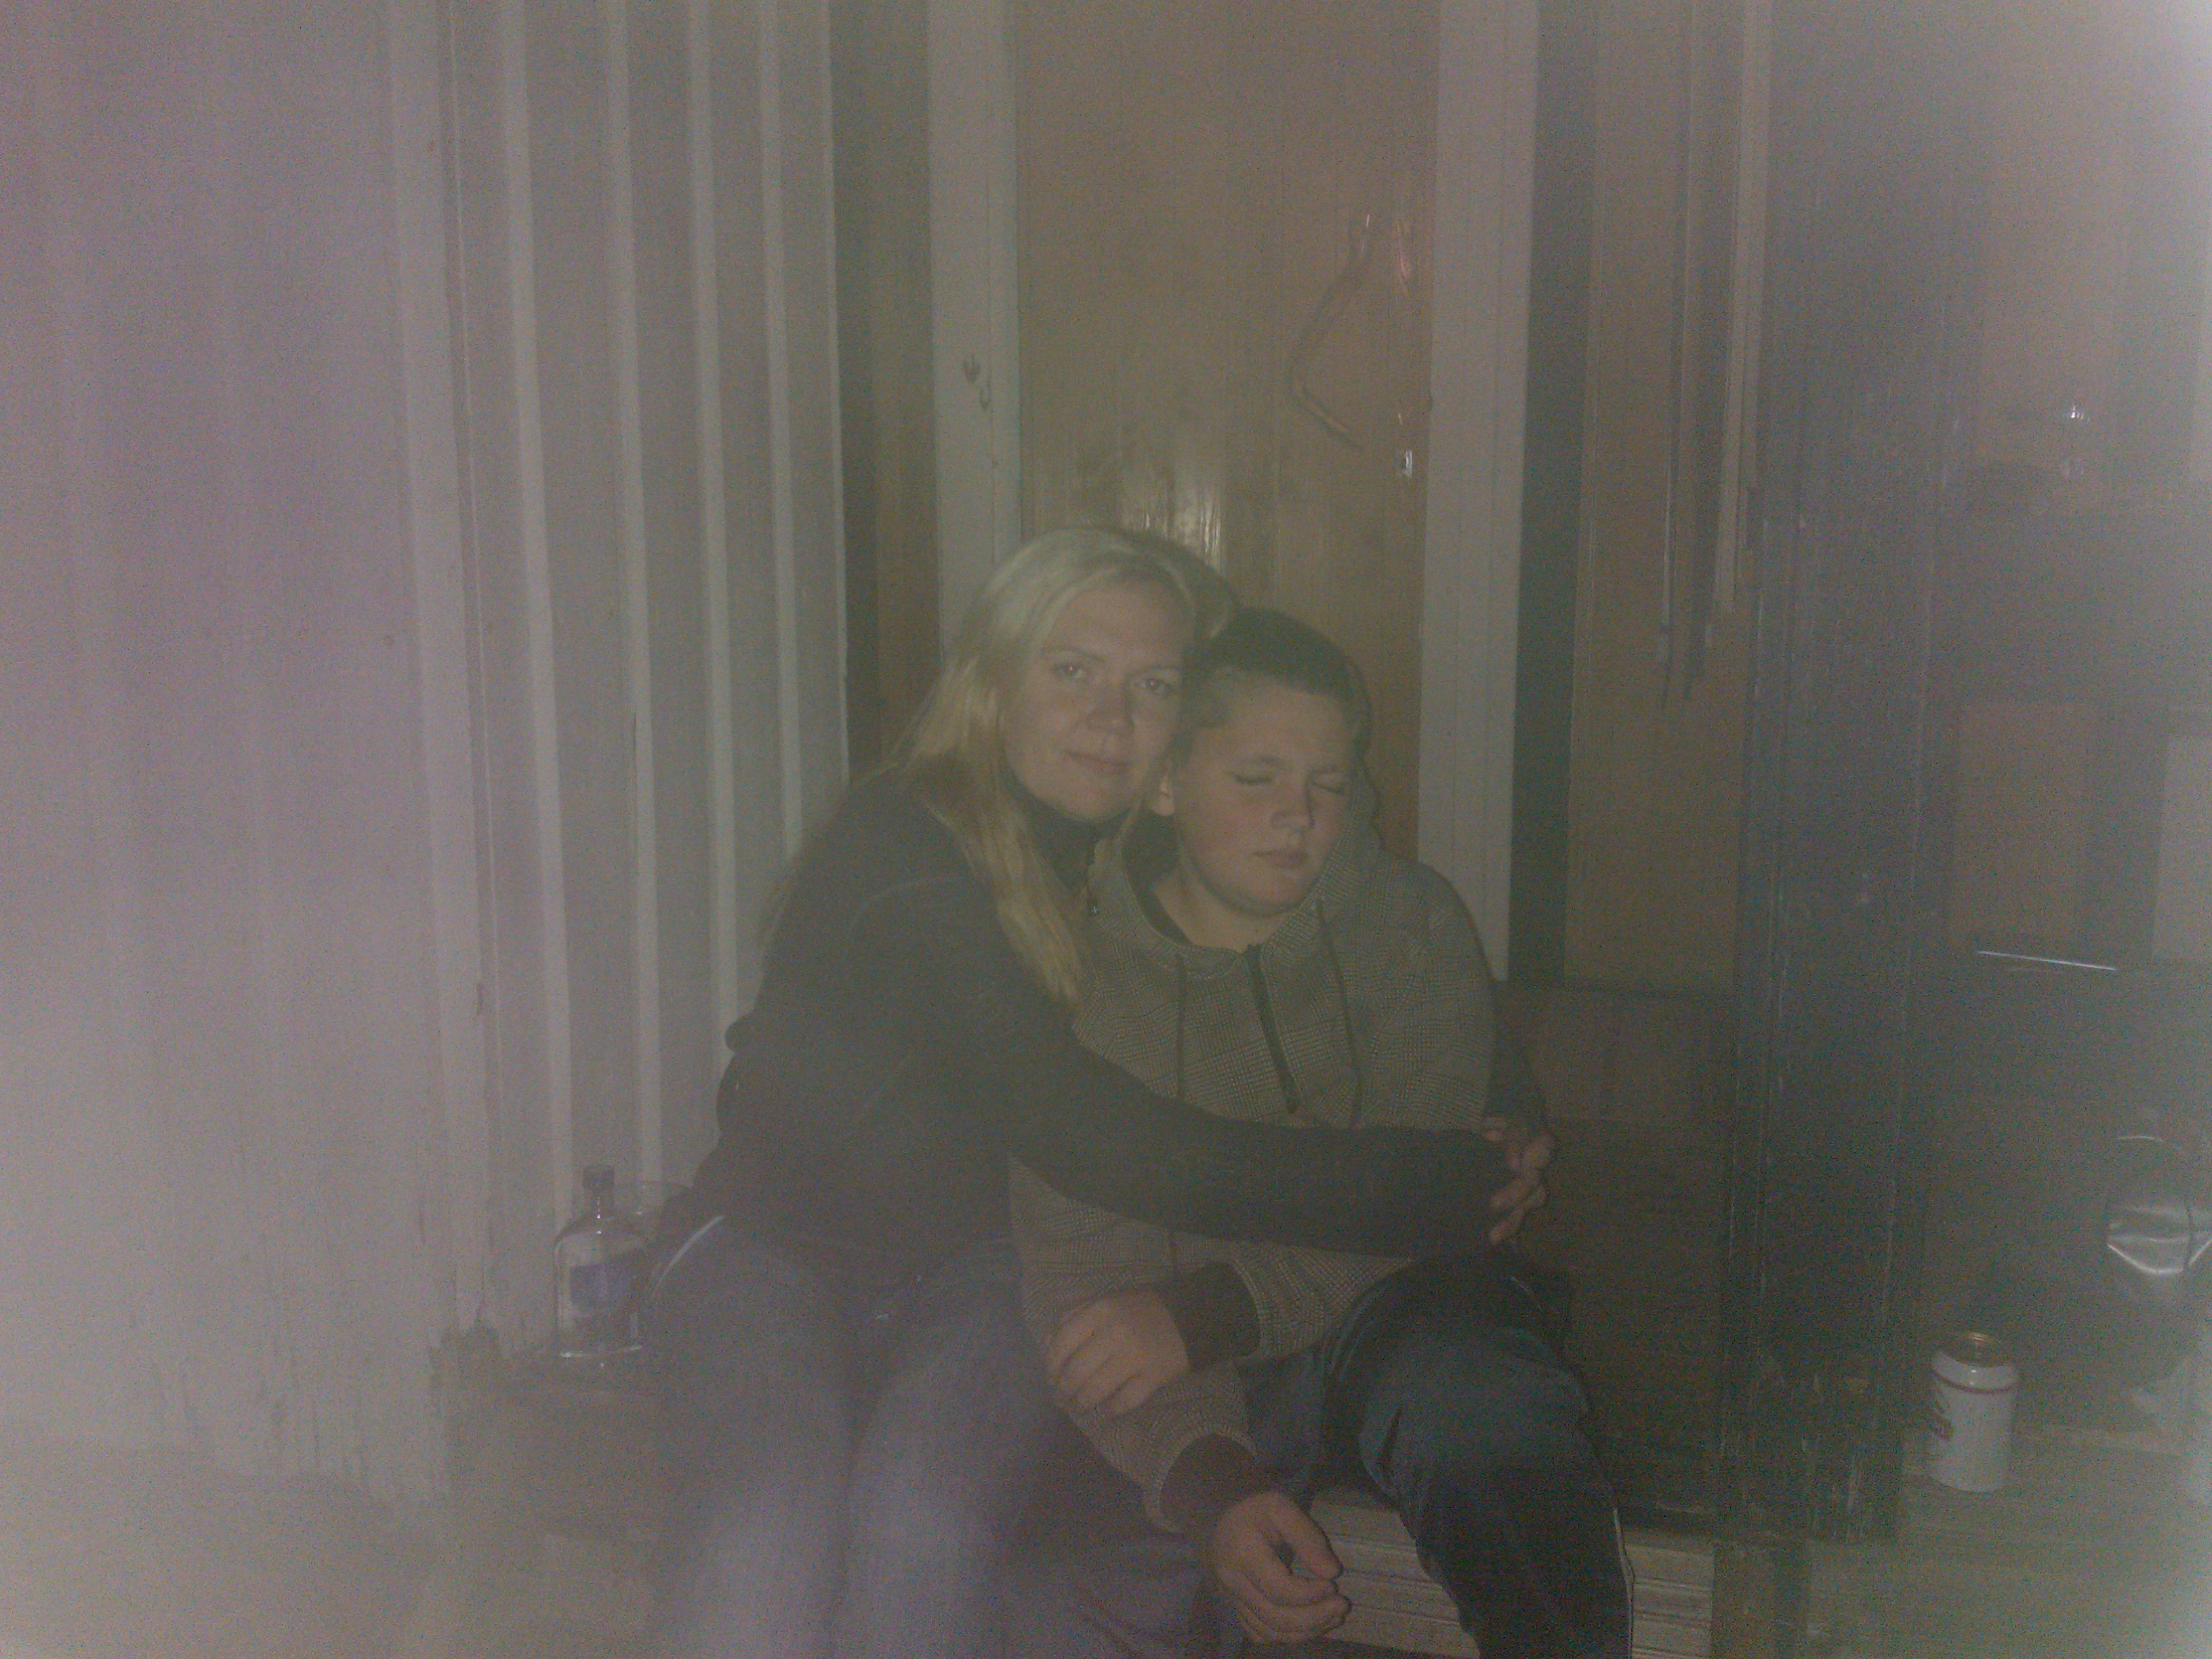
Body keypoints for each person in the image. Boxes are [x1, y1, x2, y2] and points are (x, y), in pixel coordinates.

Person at [642, 529, 1551, 1659]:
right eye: (1072, 669)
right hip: (771, 1251)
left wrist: (1503, 1100)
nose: (1110, 715)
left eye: (1153, 684)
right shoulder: (898, 843)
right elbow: (1091, 1138)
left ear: (1184, 729)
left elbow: (1364, 912)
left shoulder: (1133, 851)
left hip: (985, 1276)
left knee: (923, 1527)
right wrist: (1423, 1185)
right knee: (764, 1528)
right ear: (993, 680)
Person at [1007, 608, 1630, 1659]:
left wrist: (1210, 1310)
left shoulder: (1415, 926)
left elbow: (1441, 1206)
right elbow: (1092, 1299)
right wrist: (1212, 1483)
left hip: (1400, 1311)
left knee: (1493, 1420)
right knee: (1073, 1581)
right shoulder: (1081, 986)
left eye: (1329, 785)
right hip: (1199, 1370)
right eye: (1256, 778)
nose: (1298, 815)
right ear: (1164, 784)